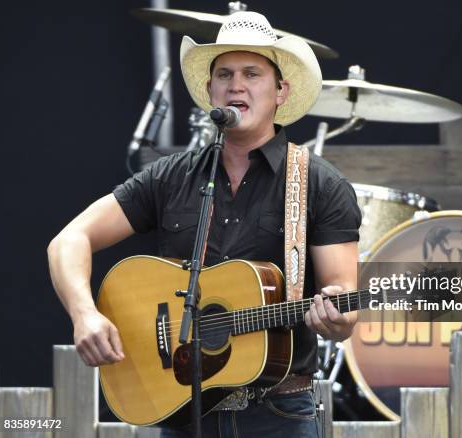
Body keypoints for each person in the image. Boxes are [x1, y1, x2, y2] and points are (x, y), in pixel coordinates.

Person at [47, 11, 361, 437]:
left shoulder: (319, 184)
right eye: (225, 75)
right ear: (210, 90)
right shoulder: (171, 176)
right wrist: (84, 314)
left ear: (280, 91)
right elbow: (69, 240)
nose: (236, 85)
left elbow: (343, 309)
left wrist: (336, 318)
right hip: (182, 406)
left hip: (278, 413)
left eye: (253, 73)